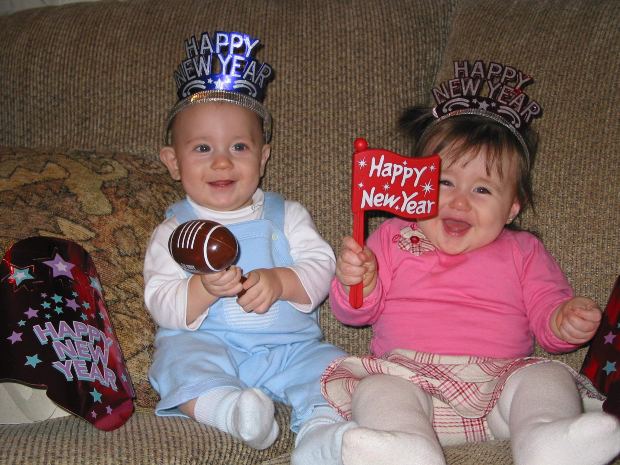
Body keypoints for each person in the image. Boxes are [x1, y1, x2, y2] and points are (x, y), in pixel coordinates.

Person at [293, 61, 620, 465]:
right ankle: (405, 447)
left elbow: (548, 320)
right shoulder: (394, 236)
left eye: (482, 189)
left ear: (512, 207)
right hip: (410, 381)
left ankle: (548, 442)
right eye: (444, 182)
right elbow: (356, 312)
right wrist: (356, 280)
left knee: (547, 377)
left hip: (501, 386)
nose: (459, 200)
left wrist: (564, 320)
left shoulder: (523, 251)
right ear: (416, 184)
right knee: (375, 390)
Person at [144, 31, 345, 450]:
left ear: (263, 157)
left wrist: (282, 281)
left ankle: (323, 431)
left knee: (334, 371)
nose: (222, 161)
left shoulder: (285, 214)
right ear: (173, 162)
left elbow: (322, 265)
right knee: (174, 363)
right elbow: (160, 300)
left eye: (239, 146)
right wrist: (200, 288)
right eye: (202, 148)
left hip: (288, 349)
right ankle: (230, 410)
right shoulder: (173, 229)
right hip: (207, 345)